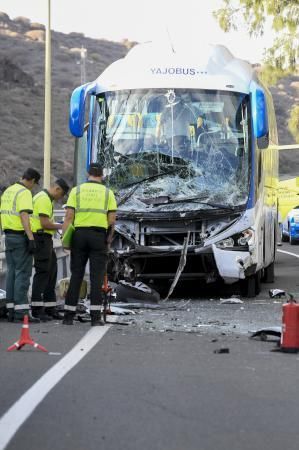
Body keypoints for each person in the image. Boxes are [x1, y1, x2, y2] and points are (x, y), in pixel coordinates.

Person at [62, 163, 117, 326]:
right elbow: (112, 220)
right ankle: (95, 317)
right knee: (96, 277)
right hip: (98, 236)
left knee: (76, 276)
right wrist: (107, 241)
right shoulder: (108, 193)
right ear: (102, 175)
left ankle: (68, 316)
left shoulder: (76, 191)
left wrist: (65, 239)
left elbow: (69, 217)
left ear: (88, 174)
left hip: (79, 236)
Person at [0, 168, 41, 322]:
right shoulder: (24, 193)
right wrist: (31, 238)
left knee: (11, 272)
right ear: (31, 181)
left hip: (8, 236)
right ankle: (21, 313)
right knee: (22, 274)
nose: (33, 187)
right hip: (19, 237)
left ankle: (10, 309)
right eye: (34, 184)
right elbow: (24, 216)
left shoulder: (9, 191)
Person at [30, 178, 70, 321]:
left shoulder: (47, 199)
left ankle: (50, 307)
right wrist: (62, 226)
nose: (61, 198)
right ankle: (36, 308)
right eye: (62, 195)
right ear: (57, 189)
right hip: (40, 239)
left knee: (52, 271)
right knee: (42, 272)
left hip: (45, 239)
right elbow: (45, 223)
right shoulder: (43, 199)